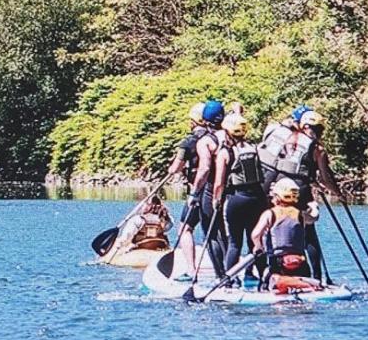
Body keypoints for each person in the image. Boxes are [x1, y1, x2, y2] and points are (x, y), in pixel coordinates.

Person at [257, 108, 339, 280]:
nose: (318, 133)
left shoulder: (286, 137)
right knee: (309, 233)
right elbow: (326, 177)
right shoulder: (317, 148)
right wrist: (338, 193)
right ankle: (316, 276)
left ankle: (272, 270)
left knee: (275, 228)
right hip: (298, 189)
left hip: (278, 186)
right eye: (318, 130)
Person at [212, 111, 268, 284]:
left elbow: (219, 182)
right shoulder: (254, 148)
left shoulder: (225, 152)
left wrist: (216, 200)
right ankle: (263, 280)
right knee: (255, 241)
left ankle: (228, 280)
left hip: (238, 198)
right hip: (258, 198)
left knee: (235, 243)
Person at [251, 178, 322, 293]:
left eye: (274, 196)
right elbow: (314, 218)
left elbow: (255, 234)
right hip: (300, 263)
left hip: (278, 264)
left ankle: (276, 283)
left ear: (278, 197)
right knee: (306, 277)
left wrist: (258, 247)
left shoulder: (269, 214)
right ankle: (304, 283)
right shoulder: (301, 214)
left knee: (267, 277)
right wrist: (315, 207)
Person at [181, 99, 225, 279]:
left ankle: (194, 271)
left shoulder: (197, 141)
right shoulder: (229, 137)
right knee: (223, 234)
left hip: (204, 190)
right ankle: (228, 273)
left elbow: (204, 169)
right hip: (226, 192)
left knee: (186, 229)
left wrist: (194, 193)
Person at [103, 194, 172, 260]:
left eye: (143, 204)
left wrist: (117, 247)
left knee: (118, 240)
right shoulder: (167, 220)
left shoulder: (137, 220)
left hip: (140, 247)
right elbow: (168, 227)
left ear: (147, 206)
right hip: (159, 247)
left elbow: (126, 238)